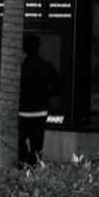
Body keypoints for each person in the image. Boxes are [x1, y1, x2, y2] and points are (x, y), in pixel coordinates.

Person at [19, 34, 62, 166]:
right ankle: (34, 166)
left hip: (24, 111)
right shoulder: (46, 65)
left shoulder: (22, 66)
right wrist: (45, 94)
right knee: (37, 145)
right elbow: (60, 86)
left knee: (18, 140)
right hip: (41, 111)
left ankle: (26, 162)